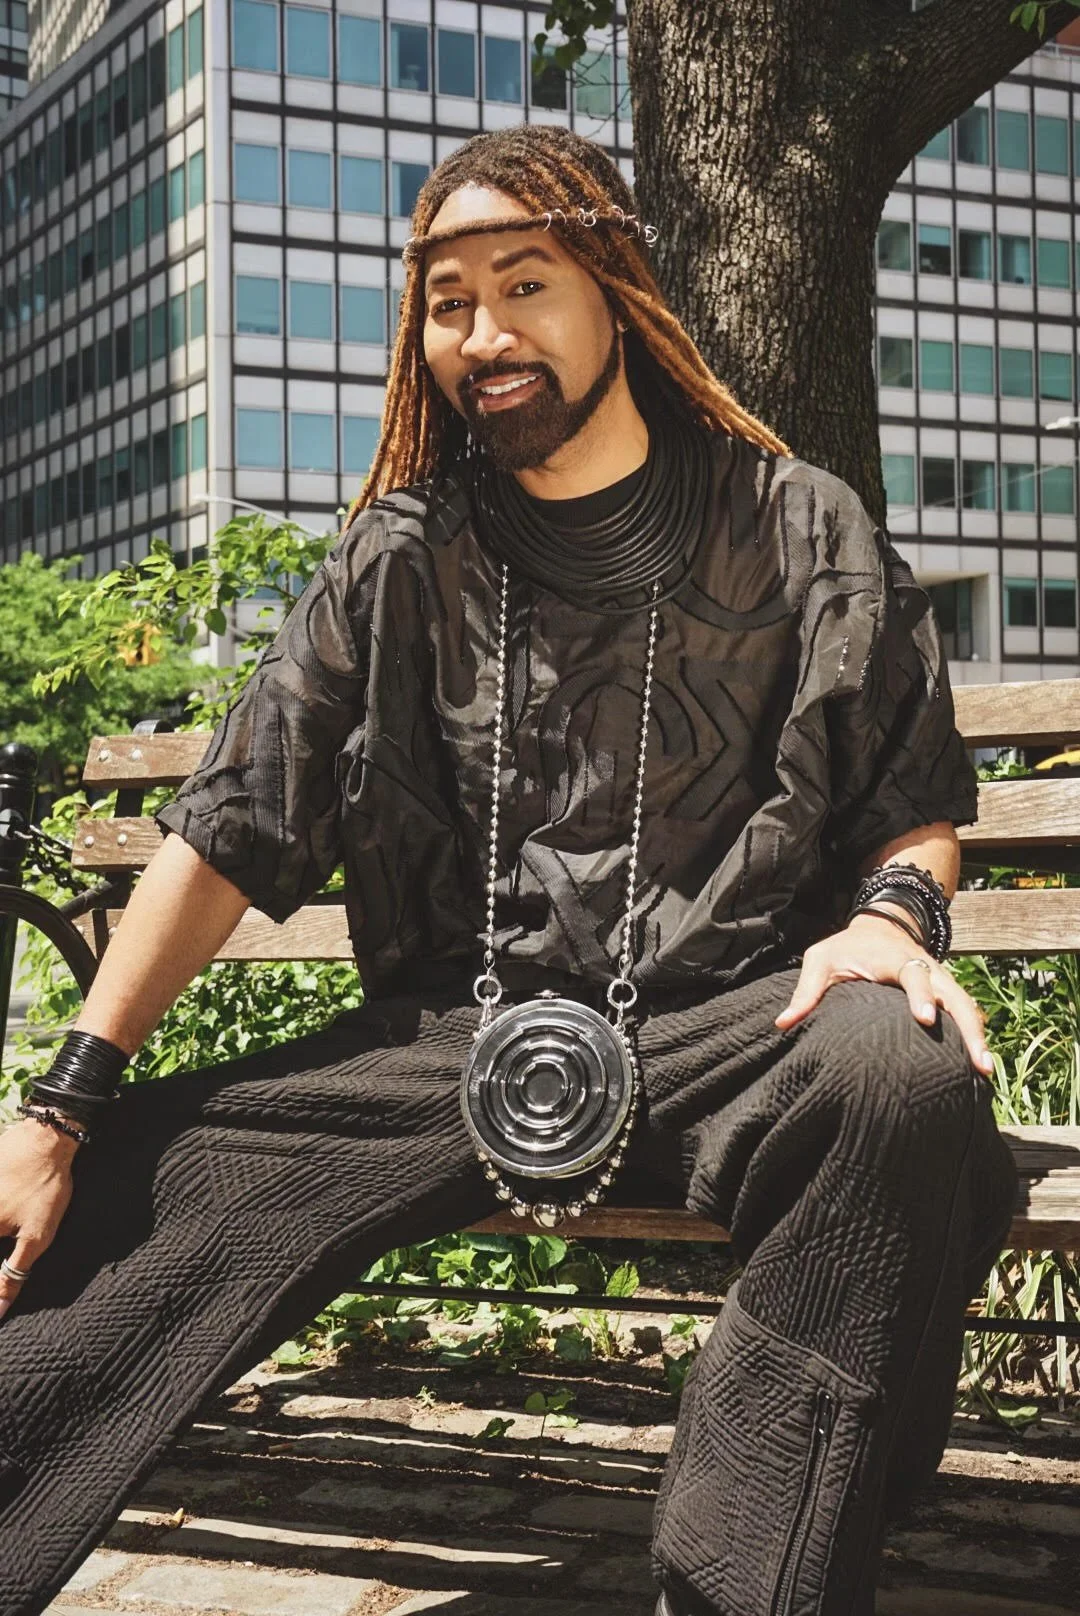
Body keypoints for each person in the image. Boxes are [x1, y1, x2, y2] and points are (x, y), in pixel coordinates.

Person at [0, 125, 1016, 1616]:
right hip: (456, 1048)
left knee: (897, 1077)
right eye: (449, 301)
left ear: (618, 293)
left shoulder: (799, 524)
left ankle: (740, 1585)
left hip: (742, 1033)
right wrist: (58, 1104)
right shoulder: (400, 557)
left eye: (525, 284)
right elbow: (230, 830)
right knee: (93, 1201)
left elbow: (910, 800)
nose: (485, 335)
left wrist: (894, 918)